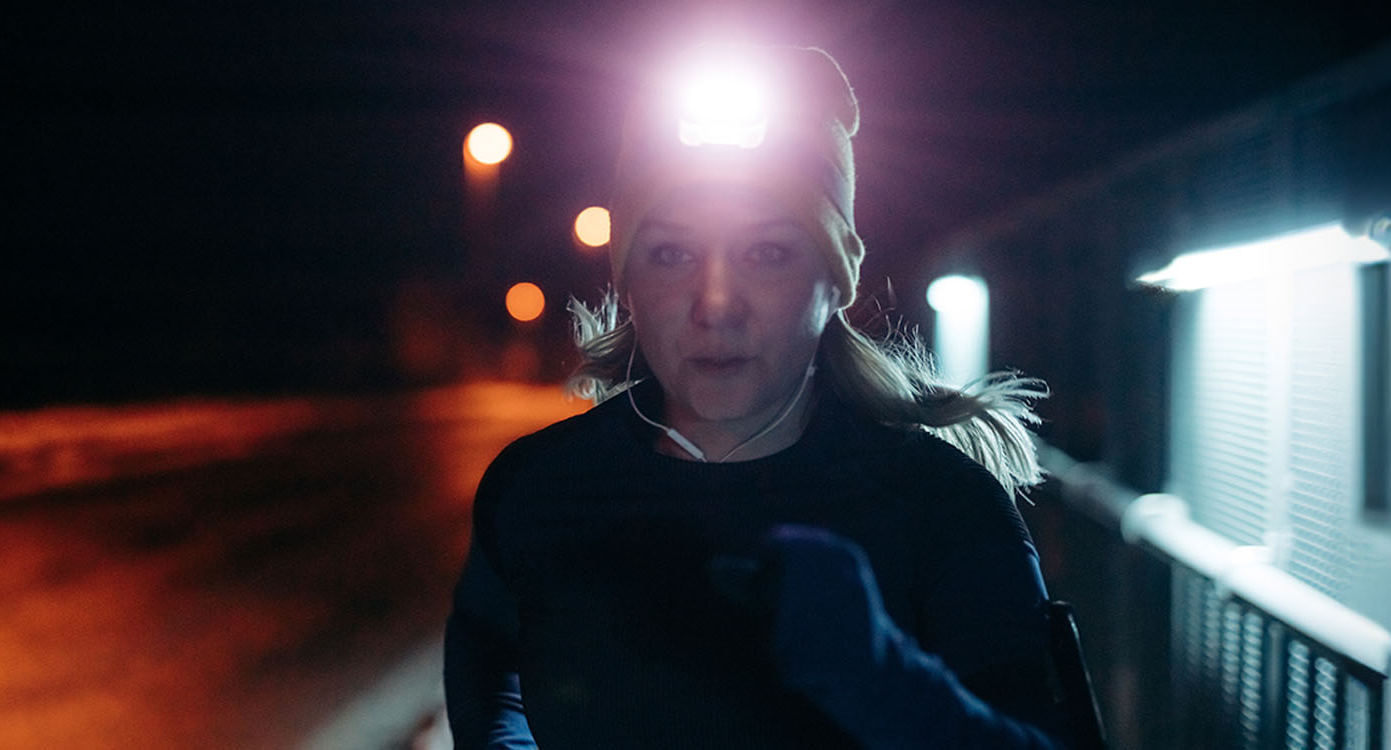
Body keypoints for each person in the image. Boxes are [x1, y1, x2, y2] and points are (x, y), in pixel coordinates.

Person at [440, 44, 1084, 750]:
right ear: (626, 282)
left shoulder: (943, 507)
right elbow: (490, 681)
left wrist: (884, 681)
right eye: (671, 254)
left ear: (835, 280)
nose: (716, 304)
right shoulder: (536, 490)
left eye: (768, 253)